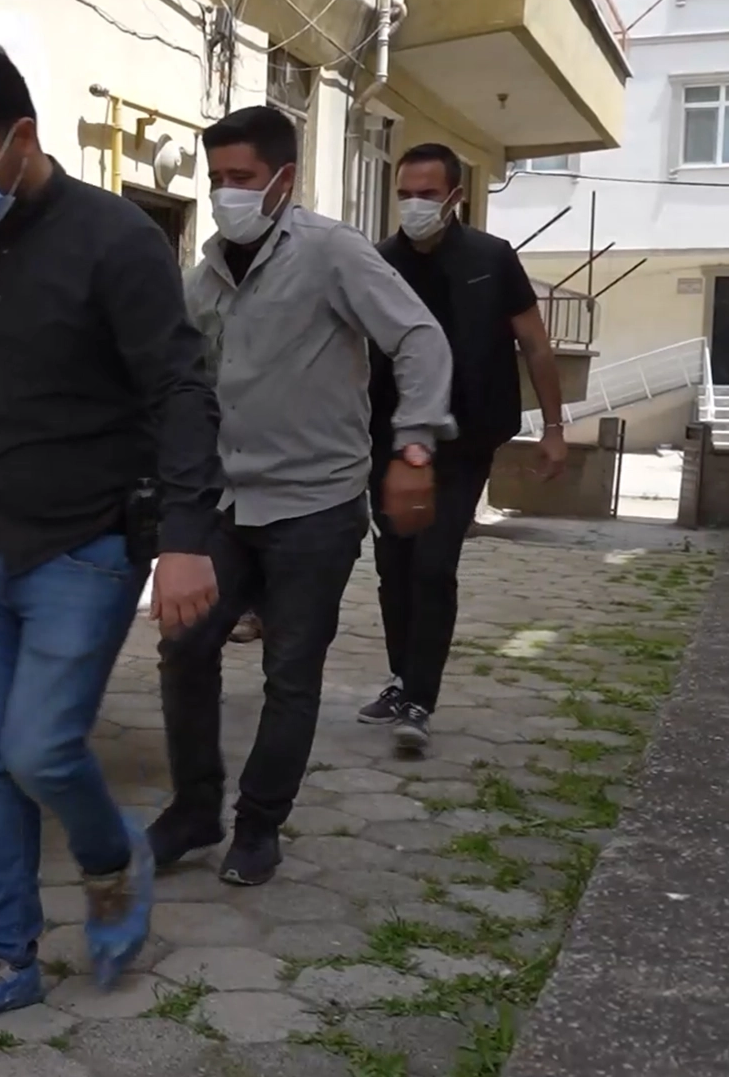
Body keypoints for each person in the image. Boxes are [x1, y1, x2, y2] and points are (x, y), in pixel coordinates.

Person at [0, 44, 223, 1027]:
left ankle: (113, 857)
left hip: (86, 543)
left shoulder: (117, 242)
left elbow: (180, 389)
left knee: (38, 748)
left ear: (22, 138)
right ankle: (7, 956)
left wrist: (186, 538)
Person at [151, 105, 454, 886]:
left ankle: (259, 824)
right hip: (228, 504)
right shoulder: (206, 275)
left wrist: (414, 443)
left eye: (242, 177)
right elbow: (181, 381)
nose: (226, 193)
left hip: (315, 506)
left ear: (283, 178)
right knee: (185, 646)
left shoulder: (331, 253)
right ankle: (194, 808)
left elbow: (418, 337)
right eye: (216, 178)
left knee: (290, 671)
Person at [357, 142, 567, 752]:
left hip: (465, 439)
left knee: (433, 564)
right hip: (389, 439)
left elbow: (536, 345)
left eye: (427, 194)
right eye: (404, 194)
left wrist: (554, 429)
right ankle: (402, 679)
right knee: (394, 566)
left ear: (455, 197)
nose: (414, 205)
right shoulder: (379, 262)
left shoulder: (491, 258)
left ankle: (420, 699)